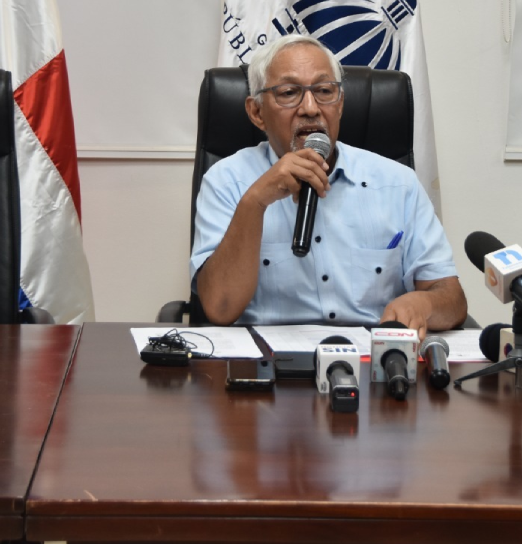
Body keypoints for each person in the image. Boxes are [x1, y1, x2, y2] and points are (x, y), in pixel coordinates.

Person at [190, 35, 467, 338]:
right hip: (266, 370)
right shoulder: (227, 182)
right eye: (289, 92)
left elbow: (451, 298)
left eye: (324, 91)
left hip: (373, 369)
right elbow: (218, 307)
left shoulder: (397, 183)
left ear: (341, 104)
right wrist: (255, 202)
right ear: (257, 112)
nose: (310, 108)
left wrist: (424, 303)